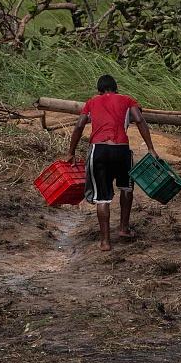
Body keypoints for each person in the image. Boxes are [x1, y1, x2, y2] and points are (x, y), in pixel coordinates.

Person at [65, 74, 157, 252]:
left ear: (99, 90)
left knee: (102, 197)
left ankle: (105, 242)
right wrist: (151, 148)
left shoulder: (92, 102)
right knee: (126, 188)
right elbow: (139, 119)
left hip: (99, 151)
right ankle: (123, 228)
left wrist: (71, 152)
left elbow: (79, 126)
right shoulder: (128, 100)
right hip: (121, 150)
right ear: (116, 88)